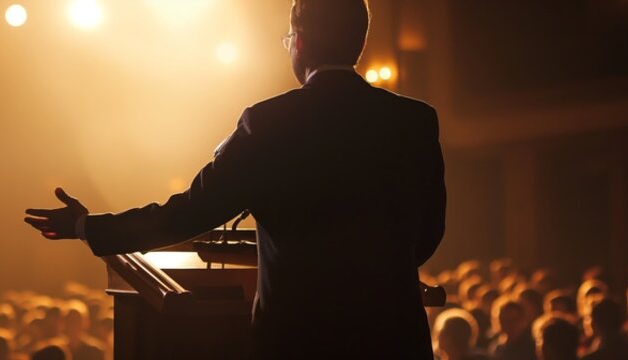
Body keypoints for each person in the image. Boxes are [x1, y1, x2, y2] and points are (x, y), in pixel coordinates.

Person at [24, 0, 446, 357]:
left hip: (298, 341)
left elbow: (187, 214)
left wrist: (87, 226)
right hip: (394, 341)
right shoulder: (415, 121)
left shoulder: (268, 124)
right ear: (361, 40)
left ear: (299, 42)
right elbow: (428, 233)